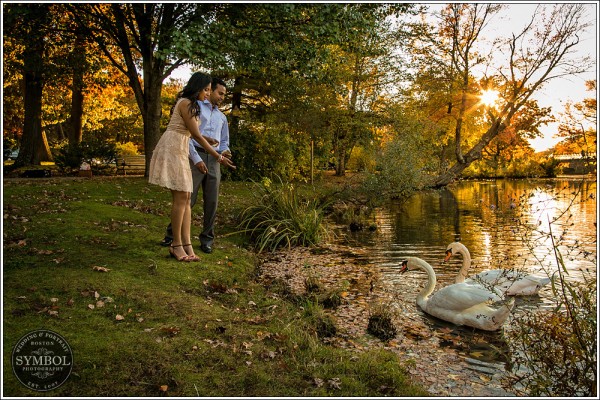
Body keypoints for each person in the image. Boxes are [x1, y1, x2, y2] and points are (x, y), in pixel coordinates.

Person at [148, 72, 235, 262]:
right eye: (206, 89)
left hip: (182, 147)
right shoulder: (186, 103)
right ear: (198, 87)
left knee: (186, 198)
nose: (207, 93)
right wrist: (218, 157)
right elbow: (195, 135)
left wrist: (212, 142)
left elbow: (195, 133)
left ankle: (186, 244)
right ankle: (175, 244)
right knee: (182, 198)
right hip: (175, 148)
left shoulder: (195, 106)